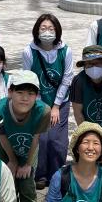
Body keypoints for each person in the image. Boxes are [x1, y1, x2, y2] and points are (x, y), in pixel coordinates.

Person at [0, 71, 51, 202]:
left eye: (30, 93)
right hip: (5, 151)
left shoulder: (43, 111)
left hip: (29, 150)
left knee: (28, 188)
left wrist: (27, 164)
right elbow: (2, 138)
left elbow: (36, 137)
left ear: (36, 96)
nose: (25, 98)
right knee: (9, 187)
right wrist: (13, 161)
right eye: (20, 92)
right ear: (10, 92)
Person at [22, 13, 73, 190]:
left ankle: (56, 174)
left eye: (51, 28)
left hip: (61, 102)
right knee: (42, 139)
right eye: (43, 28)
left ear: (57, 31)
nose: (47, 31)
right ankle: (40, 174)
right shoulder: (29, 52)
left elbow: (67, 78)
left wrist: (56, 105)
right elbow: (28, 79)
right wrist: (41, 106)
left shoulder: (65, 51)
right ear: (36, 31)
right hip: (38, 102)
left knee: (57, 141)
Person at [70, 45, 102, 135]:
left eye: (98, 63)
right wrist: (87, 134)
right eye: (89, 63)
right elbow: (78, 112)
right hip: (88, 128)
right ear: (84, 66)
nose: (94, 67)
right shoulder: (78, 81)